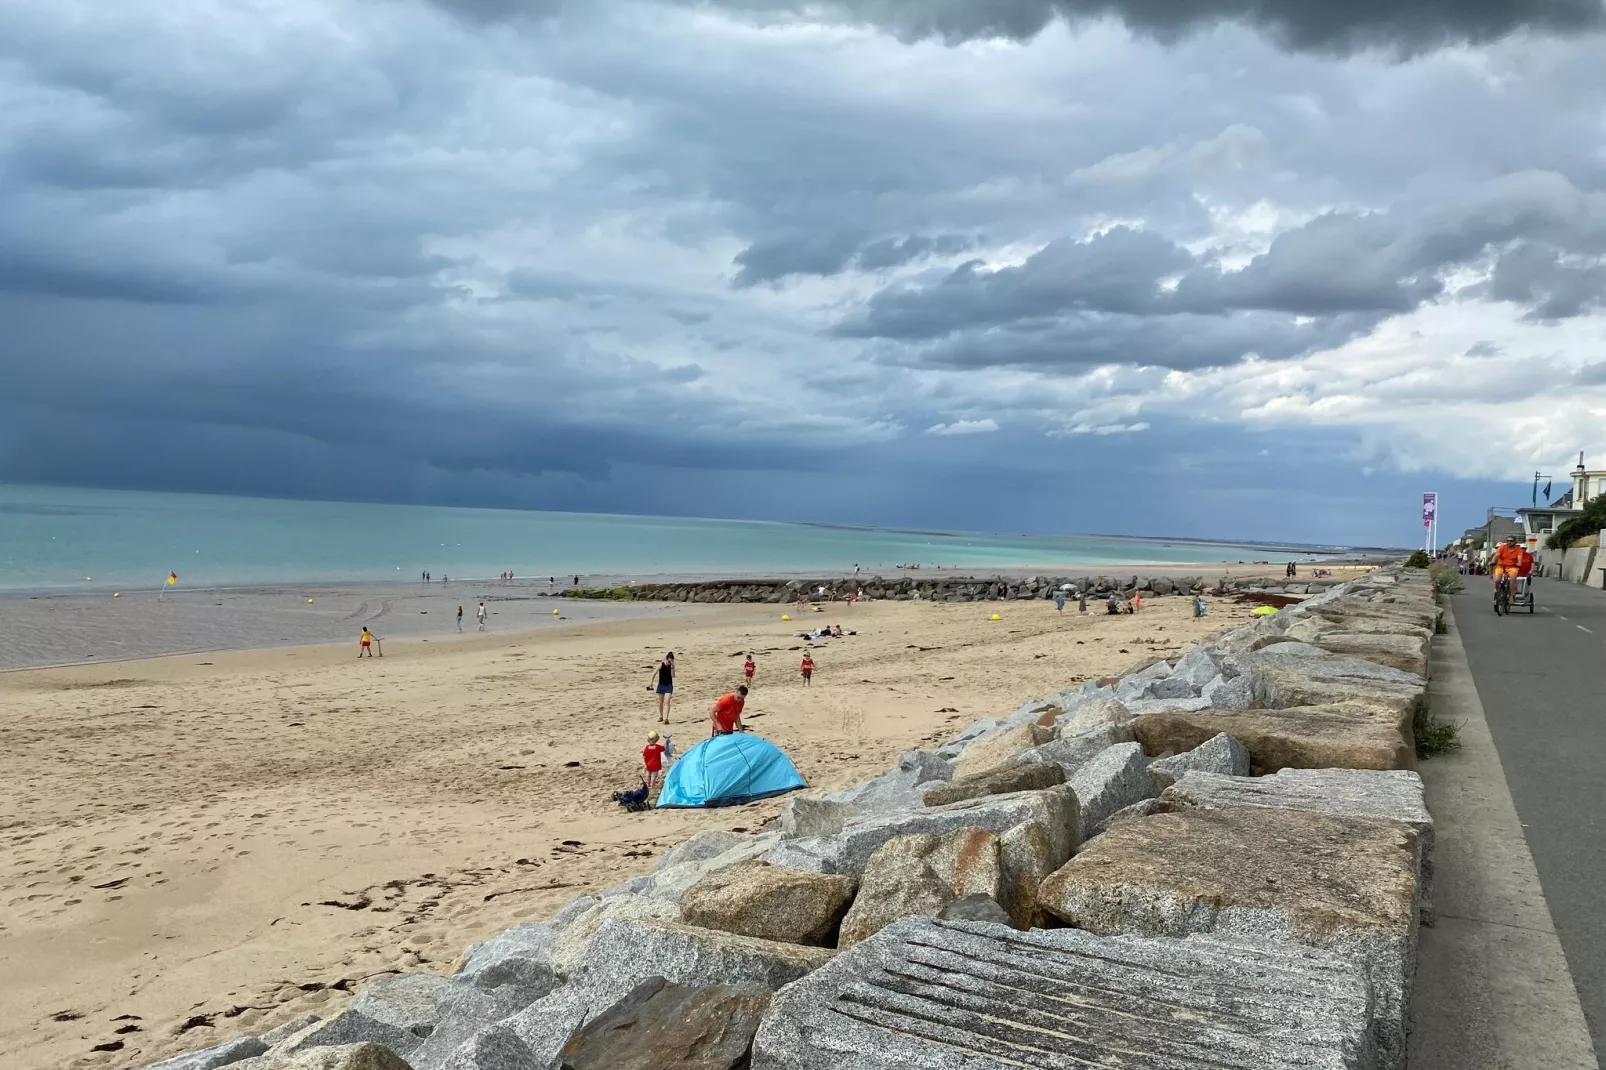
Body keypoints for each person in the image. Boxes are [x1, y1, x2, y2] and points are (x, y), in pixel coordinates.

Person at [1490, 536, 1525, 606]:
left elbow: (1520, 558)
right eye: (1507, 540)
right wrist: (1493, 562)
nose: (1509, 542)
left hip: (1512, 567)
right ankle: (1498, 593)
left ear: (1515, 542)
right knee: (1497, 580)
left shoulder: (1519, 550)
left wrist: (1519, 563)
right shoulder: (1502, 547)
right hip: (1501, 566)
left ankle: (1512, 596)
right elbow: (1496, 555)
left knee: (1512, 578)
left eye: (1511, 541)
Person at [652, 652, 675, 724]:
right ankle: (661, 716)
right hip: (661, 685)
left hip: (668, 685)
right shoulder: (661, 665)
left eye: (671, 661)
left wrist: (672, 666)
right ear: (666, 659)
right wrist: (651, 683)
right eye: (668, 661)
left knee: (667, 701)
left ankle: (667, 718)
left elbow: (673, 675)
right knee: (661, 702)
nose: (669, 662)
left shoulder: (672, 666)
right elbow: (654, 673)